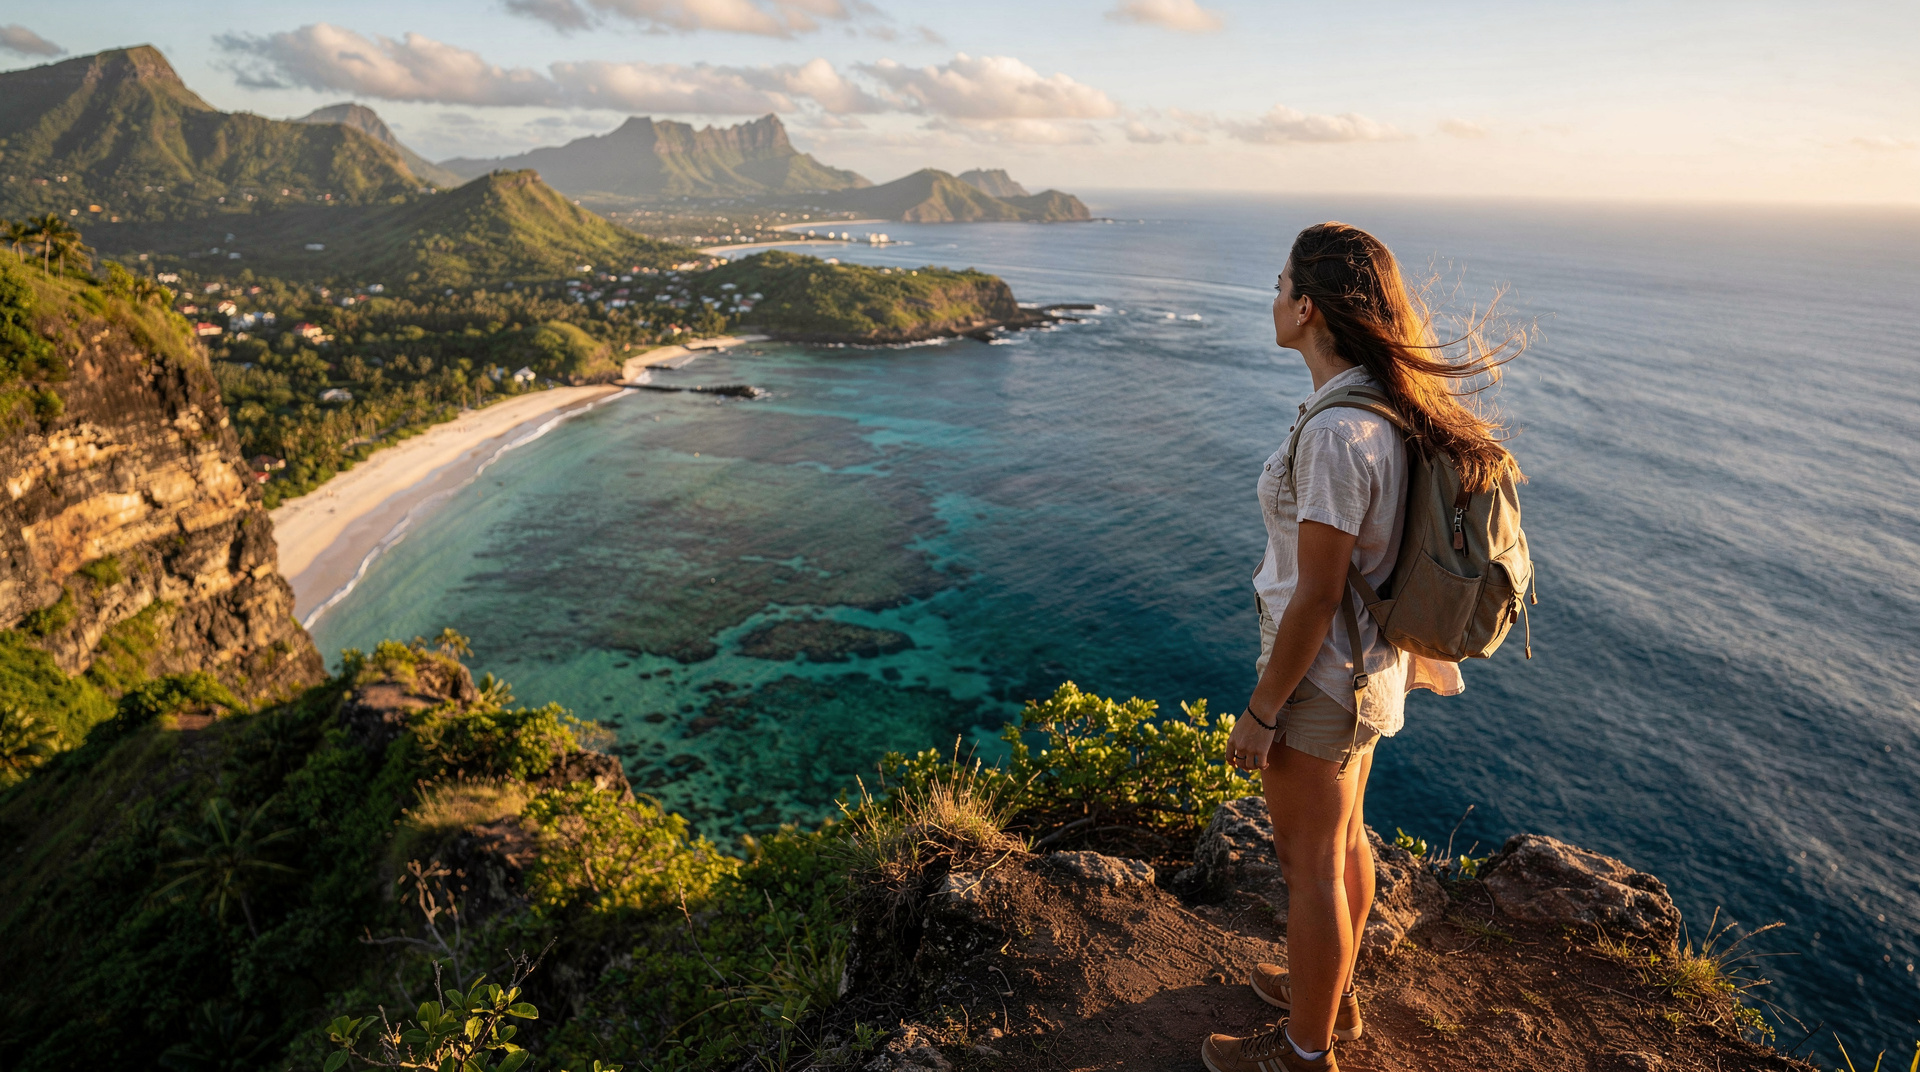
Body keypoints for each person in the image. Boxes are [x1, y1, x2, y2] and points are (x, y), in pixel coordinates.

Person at [1200, 223, 1522, 1072]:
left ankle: (1304, 1054)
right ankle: (1330, 1005)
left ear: (1307, 307)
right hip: (1370, 670)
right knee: (1344, 845)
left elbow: (1315, 594)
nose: (1271, 299)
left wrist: (1262, 711)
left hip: (1322, 680)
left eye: (1279, 286)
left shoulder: (1341, 433)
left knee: (1308, 866)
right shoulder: (1379, 403)